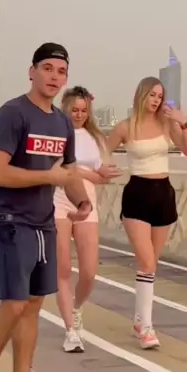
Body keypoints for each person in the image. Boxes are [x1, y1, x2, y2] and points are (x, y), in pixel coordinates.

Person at [0, 43, 92, 372]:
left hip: (44, 223)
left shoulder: (61, 123)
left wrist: (82, 202)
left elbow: (66, 172)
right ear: (32, 71)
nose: (54, 76)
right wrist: (48, 178)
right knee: (15, 302)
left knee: (34, 304)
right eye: (48, 68)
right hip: (10, 221)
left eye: (61, 71)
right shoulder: (12, 114)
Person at [106, 76, 187, 349]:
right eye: (152, 95)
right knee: (147, 263)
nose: (156, 100)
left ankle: (139, 320)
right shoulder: (125, 127)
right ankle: (146, 327)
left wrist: (183, 122)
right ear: (141, 95)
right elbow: (101, 152)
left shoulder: (167, 124)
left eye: (160, 96)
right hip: (137, 195)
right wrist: (100, 172)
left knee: (151, 265)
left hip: (163, 195)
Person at [54, 85, 121, 352]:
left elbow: (103, 177)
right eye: (75, 110)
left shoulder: (95, 138)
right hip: (58, 201)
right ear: (65, 109)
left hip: (87, 202)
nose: (79, 114)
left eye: (84, 110)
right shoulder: (57, 133)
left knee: (89, 272)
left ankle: (77, 308)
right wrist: (86, 172)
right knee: (62, 269)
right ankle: (70, 330)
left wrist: (82, 172)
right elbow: (57, 169)